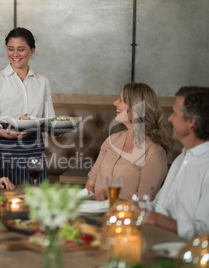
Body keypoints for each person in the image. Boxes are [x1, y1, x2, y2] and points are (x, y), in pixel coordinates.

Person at [0, 27, 55, 185]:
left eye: (21, 49)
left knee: (35, 199)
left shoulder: (42, 81)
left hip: (34, 147)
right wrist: (5, 133)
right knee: (6, 199)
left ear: (32, 50)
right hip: (5, 147)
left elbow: (50, 118)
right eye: (11, 49)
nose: (15, 54)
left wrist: (60, 128)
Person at [85, 83, 172, 201]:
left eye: (120, 100)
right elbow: (91, 183)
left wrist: (112, 202)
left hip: (126, 217)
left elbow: (144, 200)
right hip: (96, 213)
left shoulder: (154, 152)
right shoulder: (111, 141)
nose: (115, 103)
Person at [144, 87, 209, 239]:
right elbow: (158, 204)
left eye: (174, 114)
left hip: (186, 255)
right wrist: (127, 206)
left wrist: (159, 221)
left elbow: (205, 231)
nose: (169, 118)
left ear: (192, 122)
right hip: (157, 241)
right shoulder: (181, 159)